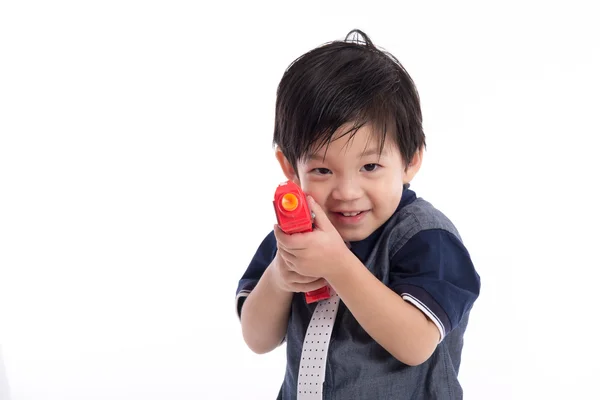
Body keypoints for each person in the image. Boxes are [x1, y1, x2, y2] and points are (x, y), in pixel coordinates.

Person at [235, 29, 481, 399]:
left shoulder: (426, 237)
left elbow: (415, 343)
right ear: (290, 168)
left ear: (410, 161)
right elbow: (257, 339)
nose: (347, 193)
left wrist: (338, 266)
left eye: (370, 167)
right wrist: (281, 277)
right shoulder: (295, 238)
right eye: (322, 171)